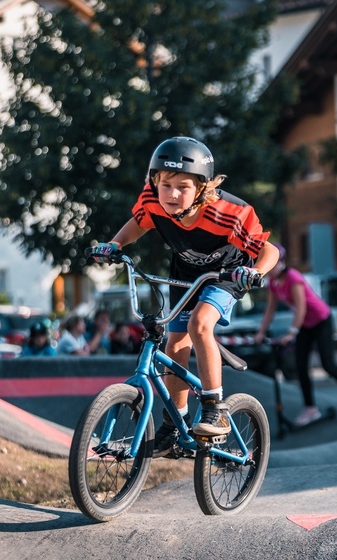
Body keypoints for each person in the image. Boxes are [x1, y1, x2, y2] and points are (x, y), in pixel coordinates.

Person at [94, 136, 277, 453]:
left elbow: (269, 250)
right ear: (155, 182)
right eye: (165, 185)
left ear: (202, 188)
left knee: (200, 325)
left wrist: (256, 272)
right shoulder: (154, 201)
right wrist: (116, 245)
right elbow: (139, 223)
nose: (172, 194)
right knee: (175, 343)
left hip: (227, 275)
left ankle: (214, 408)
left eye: (183, 186)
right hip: (185, 275)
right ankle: (173, 424)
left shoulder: (230, 213)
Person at [255, 243, 337, 424]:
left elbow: (301, 308)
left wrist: (291, 333)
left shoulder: (293, 277)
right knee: (301, 367)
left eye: (272, 263)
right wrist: (260, 332)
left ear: (282, 262)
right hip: (305, 325)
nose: (268, 267)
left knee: (328, 364)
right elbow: (270, 309)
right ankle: (310, 408)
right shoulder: (274, 283)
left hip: (321, 320)